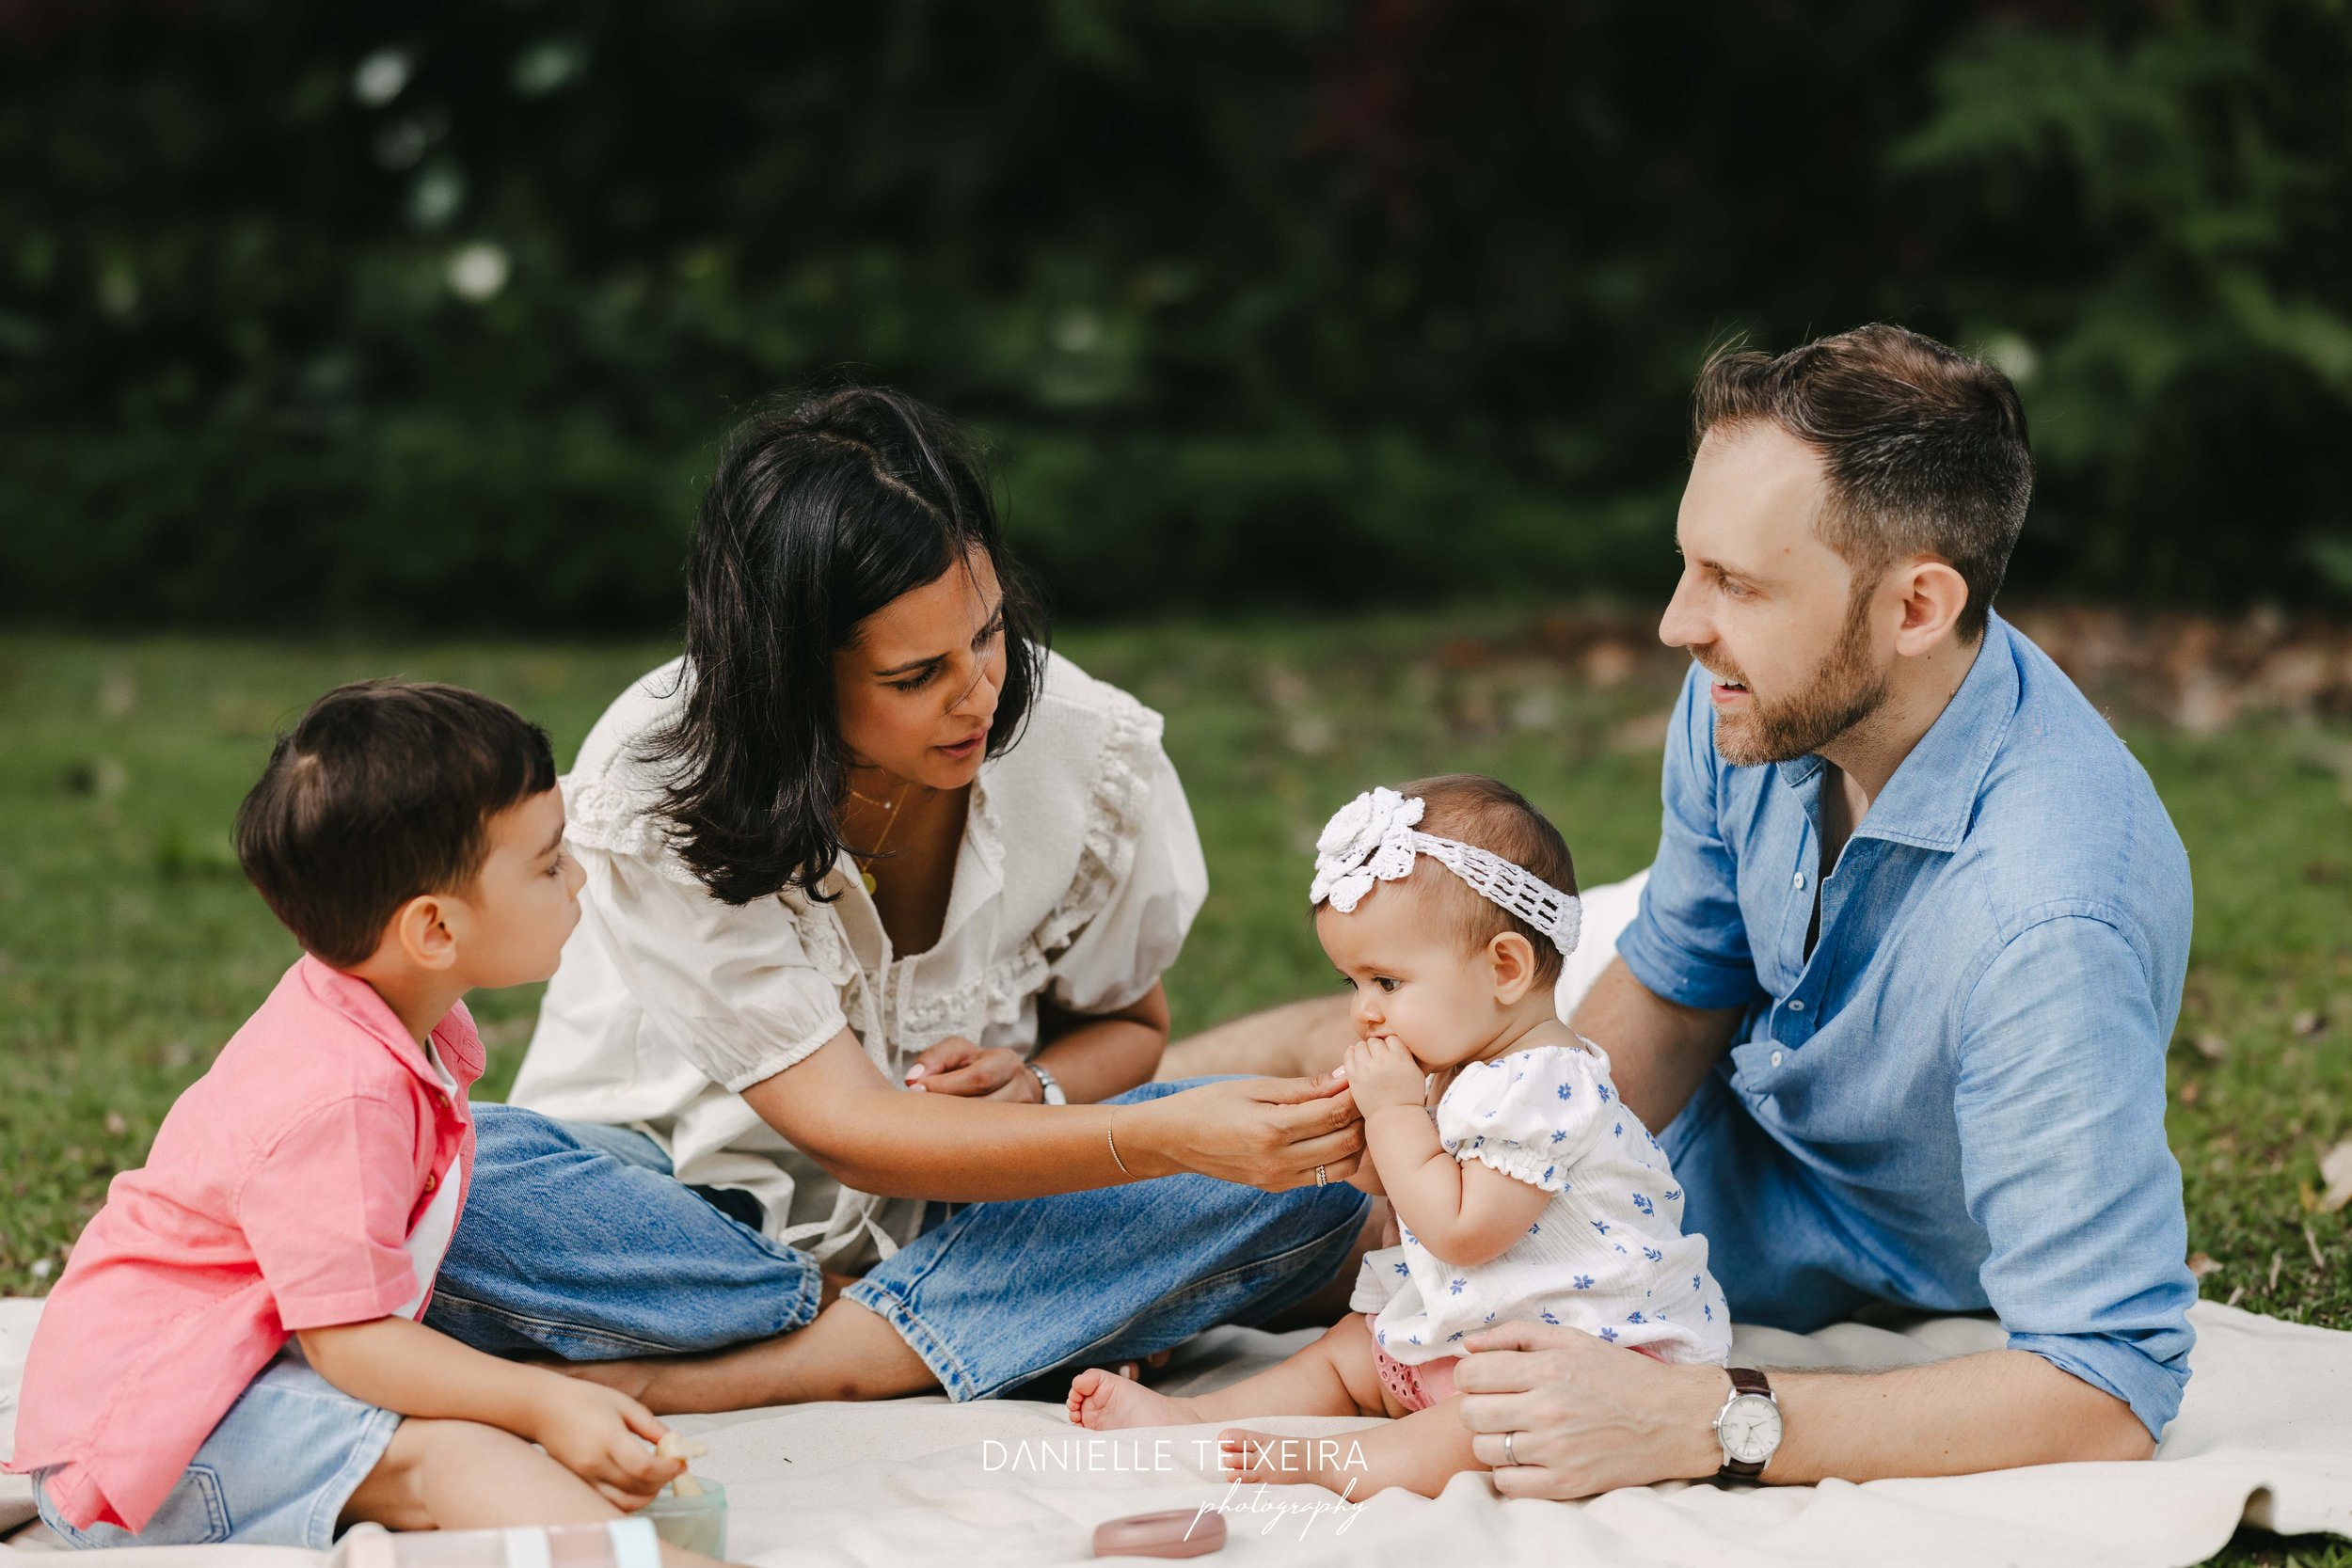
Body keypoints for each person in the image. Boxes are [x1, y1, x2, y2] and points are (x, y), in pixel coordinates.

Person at [1165, 325, 2196, 1492]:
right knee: (1366, 1069)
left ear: (1916, 607)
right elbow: (1674, 981)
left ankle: (994, 1199)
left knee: (1309, 1229)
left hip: (1829, 1222)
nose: (1675, 622)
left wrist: (1713, 1417)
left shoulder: (2047, 921)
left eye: (1736, 584)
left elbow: (2108, 1383)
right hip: (1710, 1102)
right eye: (1688, 564)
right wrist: (1494, 1140)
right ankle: (1023, 1125)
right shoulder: (1752, 693)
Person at [423, 387, 1376, 1410]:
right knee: (444, 1175)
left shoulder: (1085, 749)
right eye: (917, 673)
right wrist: (1163, 1137)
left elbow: (1130, 1024)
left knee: (1310, 1193)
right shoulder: (661, 781)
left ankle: (871, 1328)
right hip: (669, 1203)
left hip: (973, 1209)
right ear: (791, 678)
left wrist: (1045, 1092)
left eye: (990, 632)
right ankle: (911, 1322)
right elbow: (844, 1125)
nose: (979, 691)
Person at [4, 682, 715, 1560]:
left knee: (480, 1409)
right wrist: (545, 1401)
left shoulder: (379, 1017)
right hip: (154, 1453)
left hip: (230, 1374)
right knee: (455, 1457)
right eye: (547, 862)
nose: (575, 876)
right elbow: (352, 1344)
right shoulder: (341, 1094)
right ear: (434, 929)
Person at [1070, 778, 1730, 1500]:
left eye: (1386, 981)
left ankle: (1334, 1462)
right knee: (1349, 1350)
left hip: (1582, 1354)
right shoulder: (1469, 1068)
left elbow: (1463, 1227)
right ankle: (1194, 1415)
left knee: (1480, 1420)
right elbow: (1426, 1187)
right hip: (1481, 1323)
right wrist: (1364, 1157)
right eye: (1353, 981)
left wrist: (1393, 1120)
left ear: (1505, 967)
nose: (1363, 1012)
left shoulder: (1547, 1086)